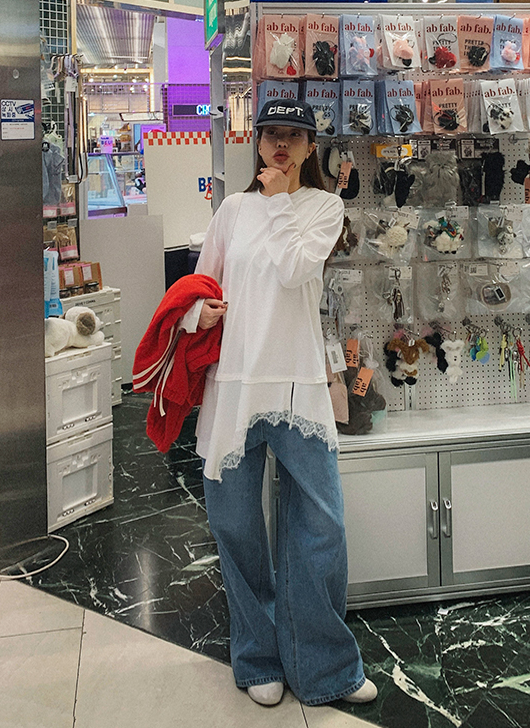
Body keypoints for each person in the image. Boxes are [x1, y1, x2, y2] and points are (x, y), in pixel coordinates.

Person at [177, 99, 376, 709]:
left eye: (294, 136)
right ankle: (258, 656)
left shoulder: (324, 207)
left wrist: (283, 199)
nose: (281, 146)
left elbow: (294, 271)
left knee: (322, 526)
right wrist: (197, 312)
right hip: (235, 386)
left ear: (311, 146)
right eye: (271, 135)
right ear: (258, 142)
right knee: (237, 526)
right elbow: (199, 285)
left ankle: (325, 666)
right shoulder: (232, 211)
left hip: (298, 388)